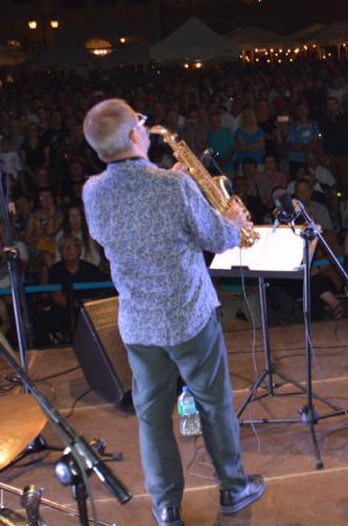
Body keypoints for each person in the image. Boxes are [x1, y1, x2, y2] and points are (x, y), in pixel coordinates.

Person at [81, 99, 264, 524]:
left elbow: (131, 222)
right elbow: (217, 238)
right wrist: (233, 218)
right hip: (188, 318)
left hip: (138, 324)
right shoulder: (172, 188)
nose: (145, 129)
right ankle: (234, 489)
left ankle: (166, 509)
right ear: (133, 136)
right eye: (140, 124)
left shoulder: (92, 191)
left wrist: (174, 183)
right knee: (213, 406)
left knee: (152, 419)